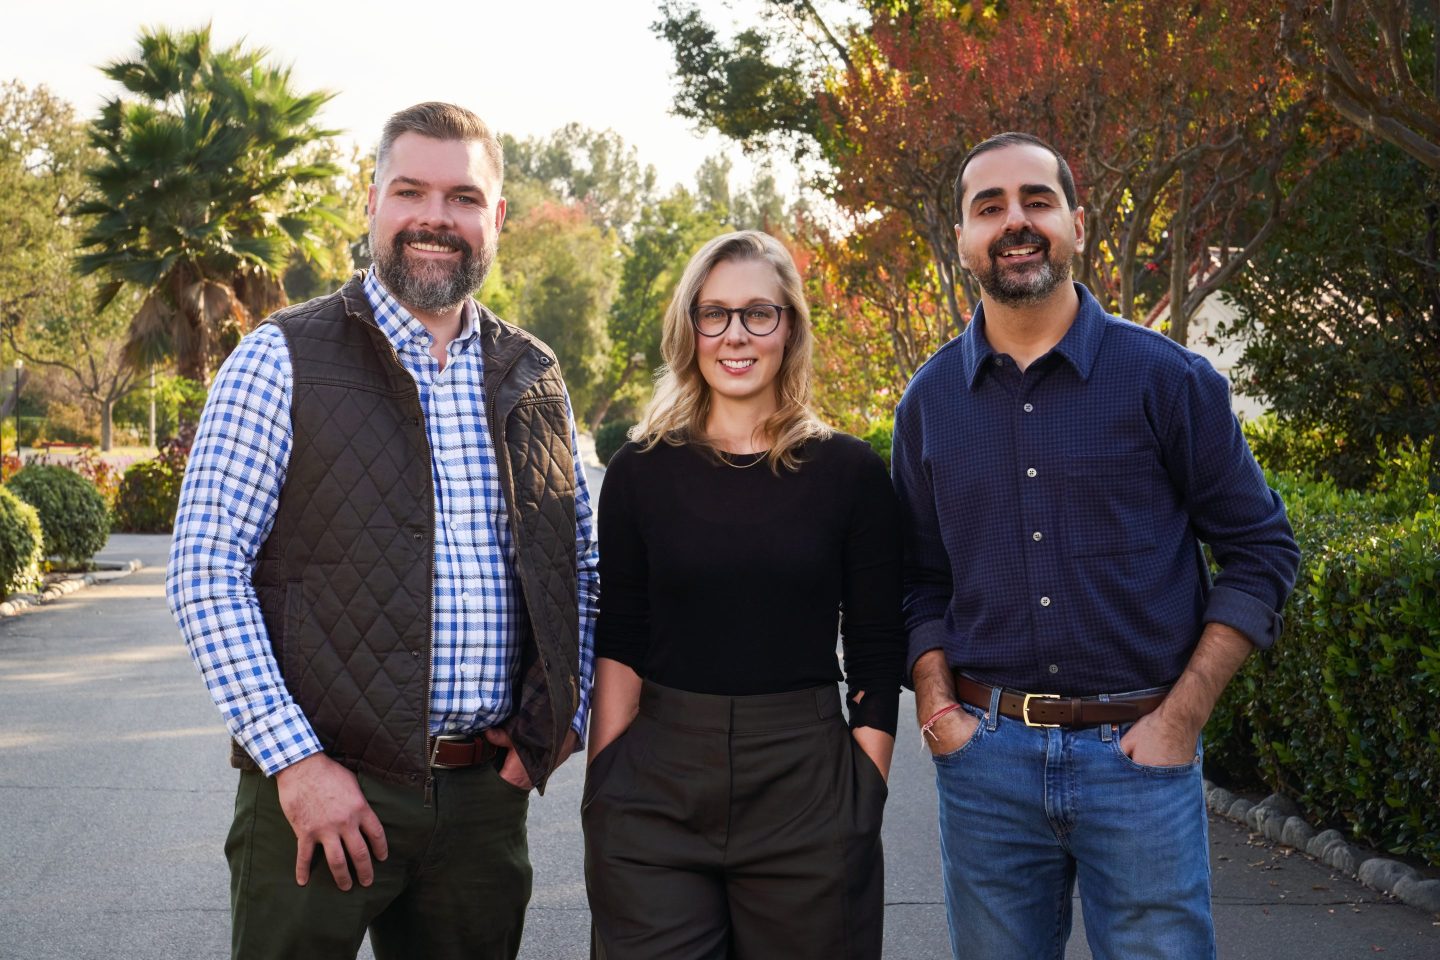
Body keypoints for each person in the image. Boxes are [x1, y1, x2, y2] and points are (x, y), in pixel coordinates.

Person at [166, 101, 598, 960]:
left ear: (496, 217)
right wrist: (297, 764)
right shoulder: (279, 356)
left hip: (483, 800)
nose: (436, 218)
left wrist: (561, 715)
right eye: (411, 191)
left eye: (463, 197)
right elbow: (206, 571)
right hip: (319, 793)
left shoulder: (533, 375)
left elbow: (579, 566)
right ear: (372, 202)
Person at [892, 132, 1301, 958]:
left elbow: (1261, 552)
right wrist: (938, 709)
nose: (1017, 222)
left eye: (1037, 201)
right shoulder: (930, 402)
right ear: (964, 239)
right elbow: (915, 579)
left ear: (1077, 225)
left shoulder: (1169, 381)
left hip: (1142, 757)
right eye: (990, 207)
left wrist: (1182, 718)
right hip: (986, 764)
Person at [582, 230, 904, 960]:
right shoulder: (639, 473)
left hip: (809, 788)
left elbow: (878, 646)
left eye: (759, 313)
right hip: (655, 788)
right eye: (715, 313)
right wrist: (606, 786)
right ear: (689, 327)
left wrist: (865, 789)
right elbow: (622, 636)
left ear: (789, 327)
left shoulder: (850, 473)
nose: (736, 335)